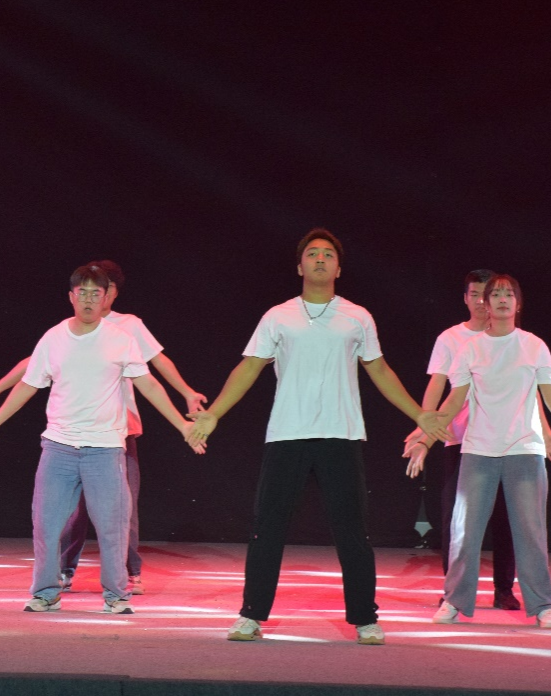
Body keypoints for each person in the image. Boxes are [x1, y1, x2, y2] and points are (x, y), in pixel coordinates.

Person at [188, 229, 448, 645]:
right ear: (300, 266)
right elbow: (249, 366)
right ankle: (251, 615)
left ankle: (365, 619)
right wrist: (214, 413)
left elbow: (379, 370)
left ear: (339, 268)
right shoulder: (278, 316)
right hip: (287, 435)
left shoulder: (357, 316)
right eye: (313, 254)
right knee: (267, 528)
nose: (321, 259)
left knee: (352, 531)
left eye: (328, 254)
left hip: (340, 434)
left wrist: (420, 413)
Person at [0, 263, 203, 614]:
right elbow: (29, 384)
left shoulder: (120, 338)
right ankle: (46, 592)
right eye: (83, 293)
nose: (89, 299)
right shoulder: (53, 338)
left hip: (105, 449)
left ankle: (116, 595)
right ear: (71, 297)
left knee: (113, 527)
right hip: (58, 447)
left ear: (106, 297)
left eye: (96, 293)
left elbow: (149, 385)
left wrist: (182, 424)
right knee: (47, 525)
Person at [417, 274, 551, 628]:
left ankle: (542, 605)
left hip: (524, 449)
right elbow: (454, 400)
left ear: (518, 303)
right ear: (484, 303)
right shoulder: (470, 348)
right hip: (478, 450)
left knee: (531, 531)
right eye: (495, 294)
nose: (502, 299)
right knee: (465, 531)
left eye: (509, 294)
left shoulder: (533, 345)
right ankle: (454, 600)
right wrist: (425, 435)